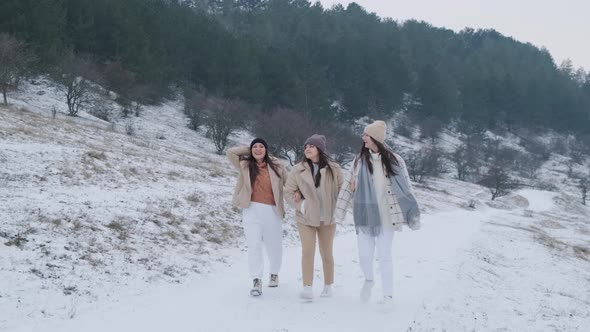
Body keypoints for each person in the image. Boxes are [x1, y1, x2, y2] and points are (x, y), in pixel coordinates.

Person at [336, 120, 420, 306]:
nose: (363, 137)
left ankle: (388, 296)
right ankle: (369, 280)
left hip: (388, 216)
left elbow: (407, 187)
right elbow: (347, 188)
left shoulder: (396, 160)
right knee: (364, 255)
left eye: (366, 135)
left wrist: (413, 213)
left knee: (384, 255)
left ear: (375, 138)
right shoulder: (358, 161)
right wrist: (339, 214)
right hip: (365, 215)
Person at [227, 138, 288, 297]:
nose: (258, 149)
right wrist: (251, 149)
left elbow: (288, 184)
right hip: (251, 209)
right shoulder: (245, 164)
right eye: (255, 147)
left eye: (262, 147)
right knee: (254, 246)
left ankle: (274, 273)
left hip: (272, 210)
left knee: (274, 246)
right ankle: (256, 279)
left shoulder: (278, 166)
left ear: (267, 150)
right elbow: (231, 152)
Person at [285, 134, 343, 300]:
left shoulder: (334, 168)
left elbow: (342, 191)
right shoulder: (298, 169)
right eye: (306, 146)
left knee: (326, 253)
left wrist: (338, 208)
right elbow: (288, 192)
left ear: (320, 149)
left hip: (328, 218)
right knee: (308, 251)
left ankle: (328, 285)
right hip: (306, 218)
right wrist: (301, 205)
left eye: (311, 146)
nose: (307, 149)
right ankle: (307, 287)